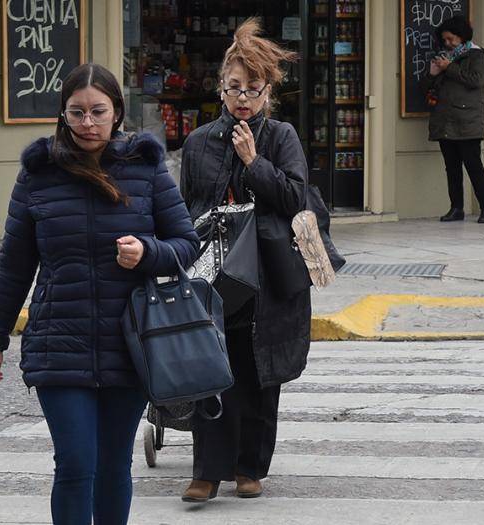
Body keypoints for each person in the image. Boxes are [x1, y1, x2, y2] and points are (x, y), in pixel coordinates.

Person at [0, 63, 198, 525]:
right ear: (63, 113)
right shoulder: (39, 174)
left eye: (97, 111)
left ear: (117, 112)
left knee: (114, 465)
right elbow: (15, 264)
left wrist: (148, 252)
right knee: (76, 464)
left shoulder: (146, 169)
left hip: (131, 342)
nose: (87, 123)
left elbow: (187, 245)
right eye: (76, 113)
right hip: (60, 341)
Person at [178, 18, 309, 503]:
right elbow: (185, 206)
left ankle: (249, 467)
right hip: (213, 272)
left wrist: (255, 163)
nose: (243, 100)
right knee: (211, 368)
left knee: (259, 372)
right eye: (234, 89)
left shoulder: (280, 137)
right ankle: (206, 471)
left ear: (268, 92)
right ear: (221, 88)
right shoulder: (198, 143)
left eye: (253, 90)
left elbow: (296, 198)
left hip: (267, 275)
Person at [420, 15, 484, 224]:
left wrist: (449, 68)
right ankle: (456, 208)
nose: (447, 43)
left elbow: (477, 80)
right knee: (451, 167)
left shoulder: (476, 57)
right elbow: (426, 89)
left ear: (462, 37)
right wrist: (432, 73)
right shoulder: (444, 58)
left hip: (467, 121)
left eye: (451, 39)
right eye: (444, 40)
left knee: (473, 165)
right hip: (445, 121)